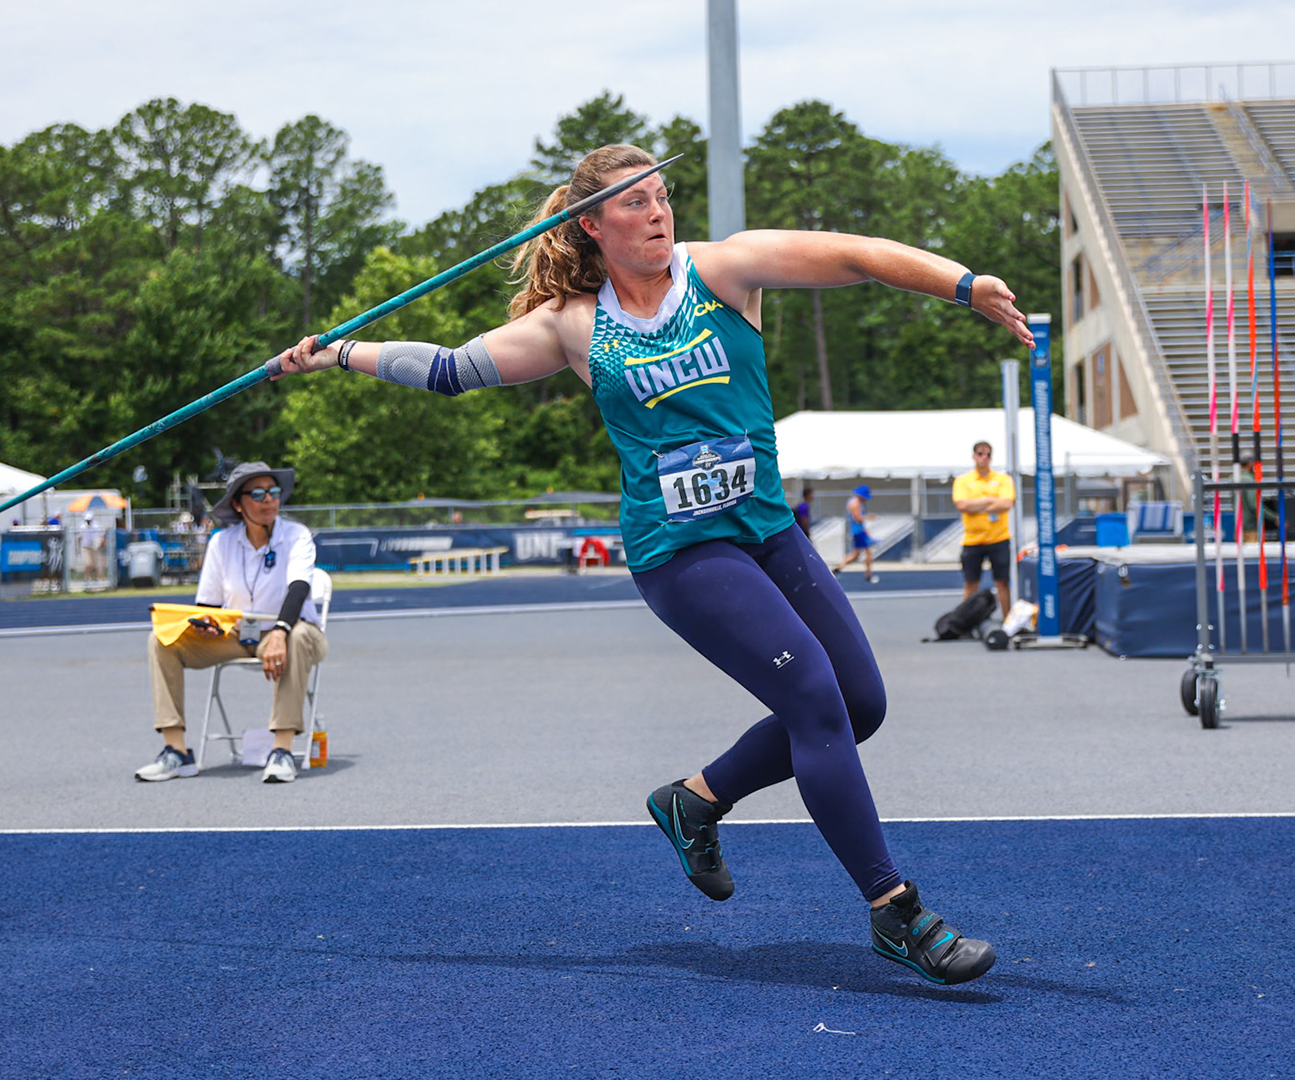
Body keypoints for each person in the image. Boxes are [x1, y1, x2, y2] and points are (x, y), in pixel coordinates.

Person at [275, 144, 1031, 985]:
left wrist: (963, 283)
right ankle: (896, 912)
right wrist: (339, 352)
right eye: (635, 204)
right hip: (681, 552)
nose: (660, 213)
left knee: (860, 704)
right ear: (589, 224)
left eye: (663, 197)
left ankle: (695, 800)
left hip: (767, 531)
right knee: (814, 696)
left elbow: (853, 254)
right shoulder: (573, 324)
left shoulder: (724, 270)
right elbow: (452, 370)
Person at [136, 462, 329, 784]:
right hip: (238, 632)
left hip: (293, 629)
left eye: (274, 492)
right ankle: (176, 751)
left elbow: (299, 588)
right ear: (239, 504)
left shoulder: (296, 535)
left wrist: (280, 631)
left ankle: (281, 750)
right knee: (161, 640)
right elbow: (208, 605)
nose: (269, 499)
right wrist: (205, 623)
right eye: (258, 494)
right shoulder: (221, 543)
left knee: (293, 640)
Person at [951, 441, 1013, 621]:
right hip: (973, 540)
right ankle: (965, 620)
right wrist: (990, 500)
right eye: (980, 454)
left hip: (998, 538)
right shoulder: (963, 480)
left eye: (987, 454)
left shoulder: (1002, 479)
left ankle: (1007, 619)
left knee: (1002, 582)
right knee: (971, 583)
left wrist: (976, 504)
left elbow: (1006, 503)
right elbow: (962, 504)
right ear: (974, 456)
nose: (983, 458)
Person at [831, 485, 880, 582]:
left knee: (857, 553)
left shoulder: (855, 503)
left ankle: (839, 568)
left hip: (859, 531)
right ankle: (868, 574)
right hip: (857, 531)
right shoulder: (855, 504)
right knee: (867, 552)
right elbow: (858, 519)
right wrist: (869, 517)